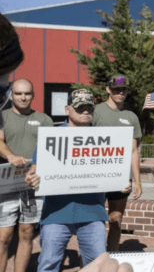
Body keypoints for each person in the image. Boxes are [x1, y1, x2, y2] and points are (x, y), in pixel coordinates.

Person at [24, 89, 131, 271]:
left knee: (98, 265)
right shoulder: (51, 137)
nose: (85, 112)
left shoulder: (106, 138)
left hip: (92, 213)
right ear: (68, 109)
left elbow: (114, 171)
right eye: (80, 108)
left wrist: (121, 182)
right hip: (56, 213)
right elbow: (34, 170)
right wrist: (31, 178)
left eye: (89, 107)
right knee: (48, 264)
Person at [0, 79, 52, 272]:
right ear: (11, 95)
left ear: (33, 95)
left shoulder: (44, 119)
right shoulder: (2, 117)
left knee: (27, 232)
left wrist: (39, 169)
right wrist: (10, 155)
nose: (23, 97)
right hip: (6, 185)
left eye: (27, 93)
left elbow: (49, 149)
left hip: (33, 185)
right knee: (3, 236)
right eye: (19, 93)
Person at [91, 75, 142, 251]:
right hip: (95, 177)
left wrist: (138, 181)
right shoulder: (95, 112)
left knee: (116, 221)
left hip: (121, 179)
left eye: (124, 90)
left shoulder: (131, 117)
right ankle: (91, 262)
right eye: (116, 89)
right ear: (108, 90)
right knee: (93, 223)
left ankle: (112, 257)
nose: (120, 93)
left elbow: (133, 151)